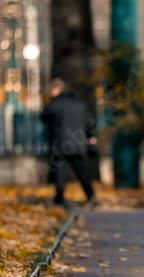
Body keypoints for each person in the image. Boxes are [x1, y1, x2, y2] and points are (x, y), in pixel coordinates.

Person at [41, 78, 97, 208]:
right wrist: (90, 137)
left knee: (60, 172)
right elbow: (87, 123)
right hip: (76, 143)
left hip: (59, 144)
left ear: (56, 89)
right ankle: (91, 195)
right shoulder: (79, 104)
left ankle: (59, 199)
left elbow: (44, 117)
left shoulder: (54, 104)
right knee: (81, 171)